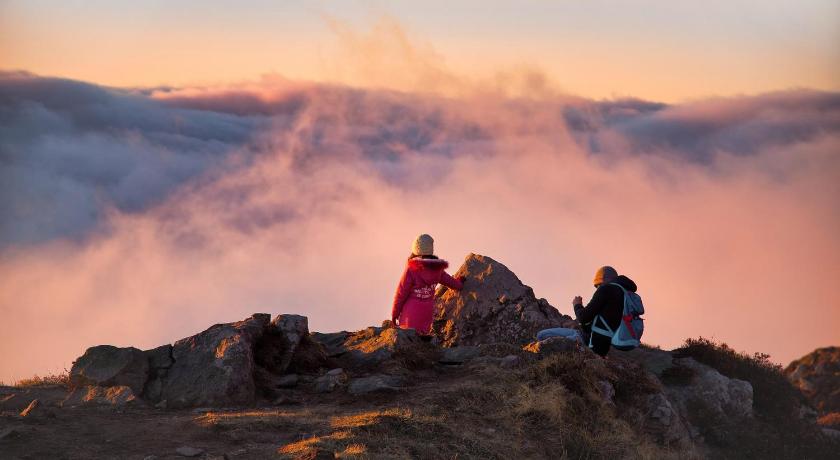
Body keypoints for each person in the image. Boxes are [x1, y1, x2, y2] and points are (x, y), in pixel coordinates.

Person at [391, 234, 465, 339]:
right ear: (431, 249)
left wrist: (395, 313)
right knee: (423, 342)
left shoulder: (411, 268)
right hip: (426, 312)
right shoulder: (437, 269)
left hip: (410, 314)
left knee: (410, 343)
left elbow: (401, 292)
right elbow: (452, 283)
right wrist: (459, 282)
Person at [573, 265, 638, 357]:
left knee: (546, 334)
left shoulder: (606, 289)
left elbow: (583, 317)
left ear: (602, 280)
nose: (598, 288)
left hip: (591, 341)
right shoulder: (625, 293)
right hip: (606, 344)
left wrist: (577, 304)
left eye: (598, 285)